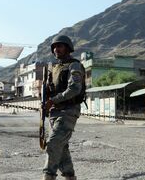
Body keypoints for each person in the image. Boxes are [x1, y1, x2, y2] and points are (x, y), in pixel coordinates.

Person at [42, 35, 86, 180]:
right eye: (54, 47)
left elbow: (74, 89)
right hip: (54, 112)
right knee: (62, 148)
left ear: (67, 48)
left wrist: (53, 100)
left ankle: (48, 176)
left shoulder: (74, 65)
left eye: (60, 46)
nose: (56, 49)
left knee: (53, 144)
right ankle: (70, 177)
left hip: (68, 111)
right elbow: (51, 89)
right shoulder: (53, 67)